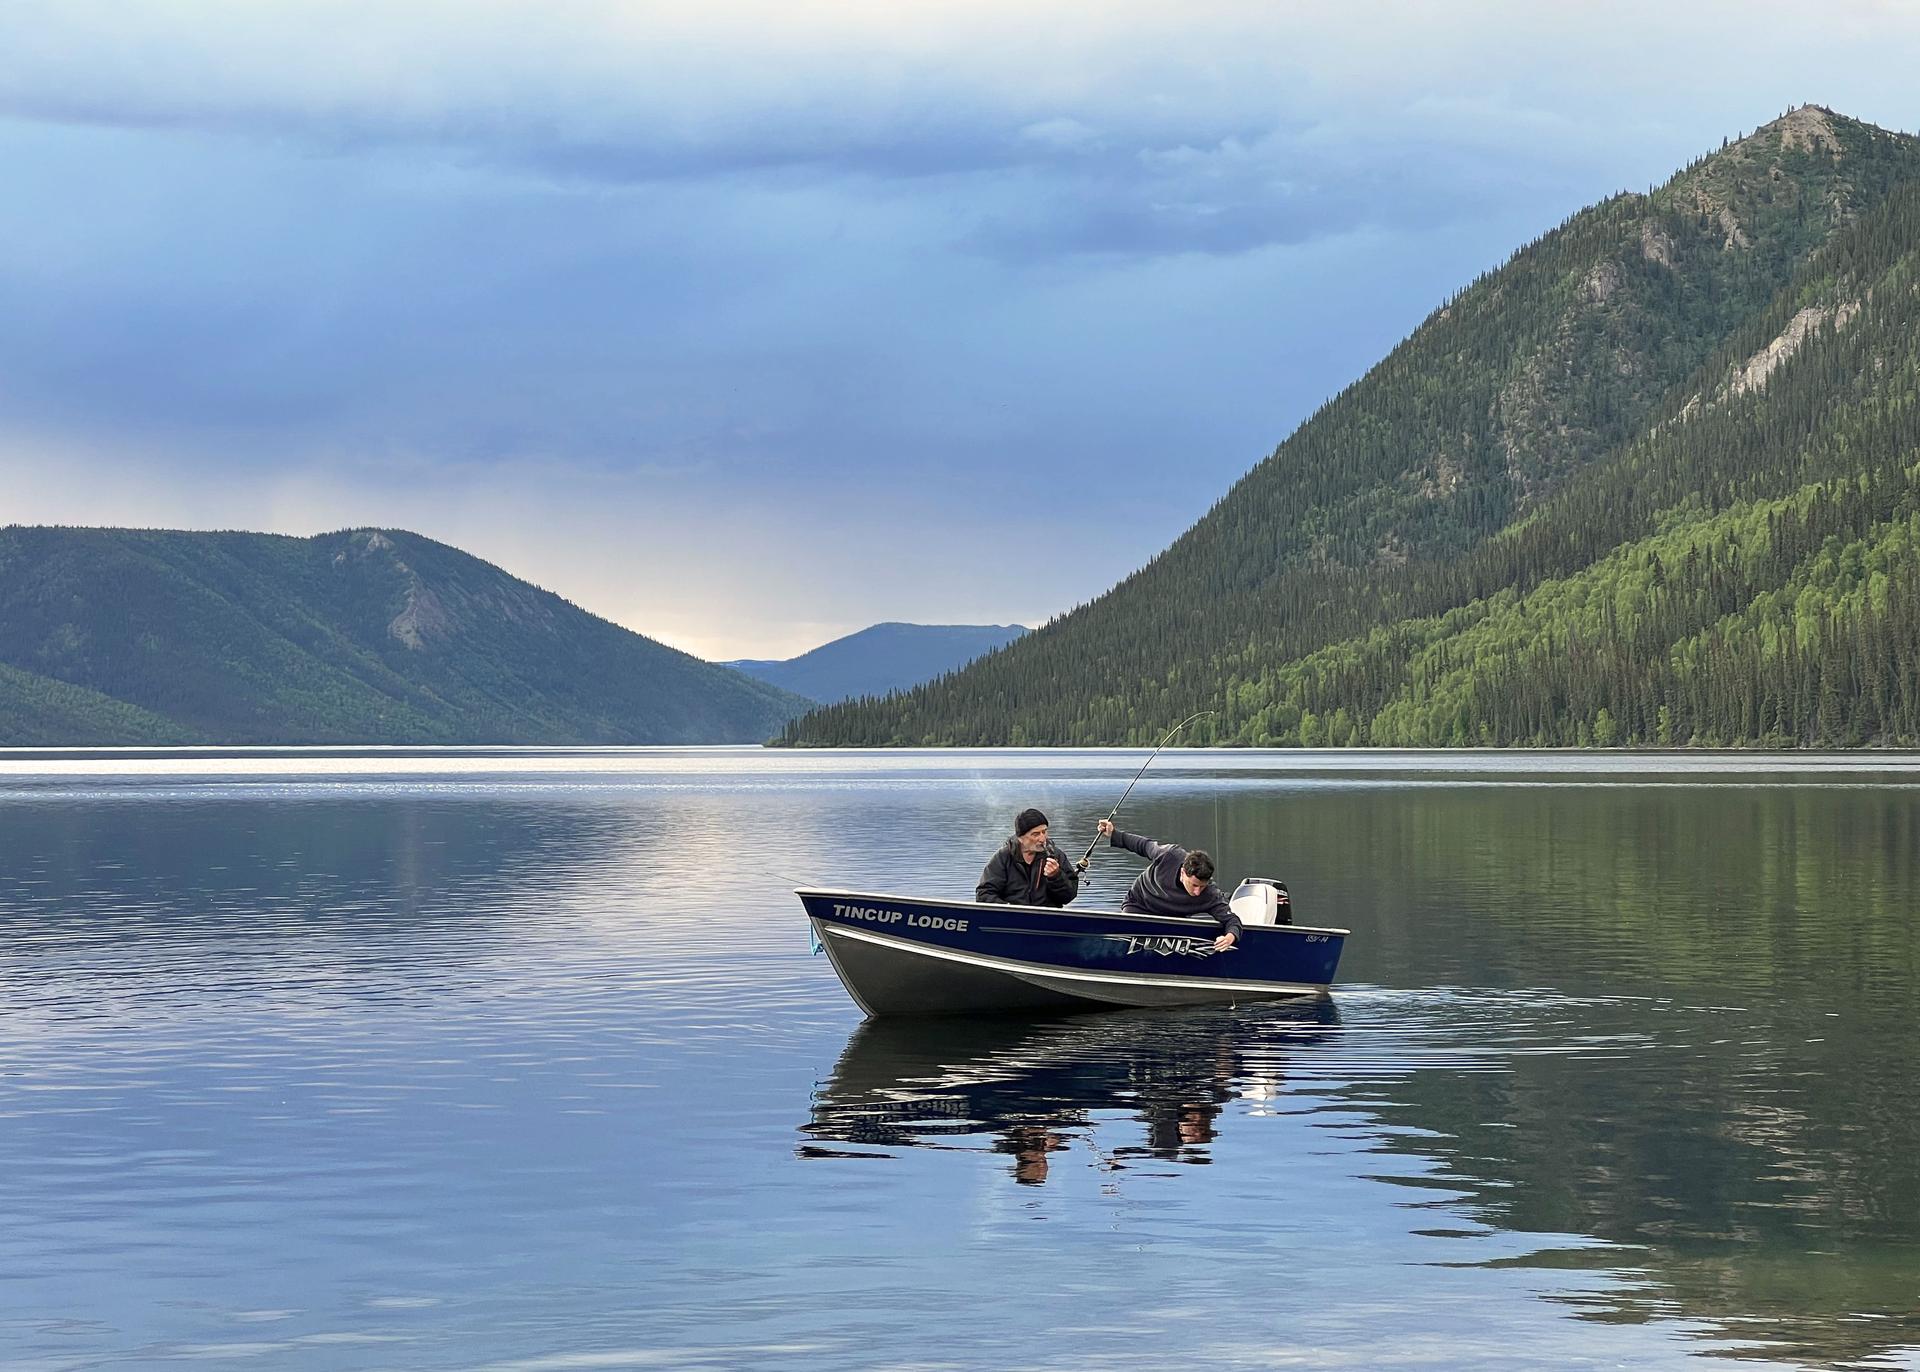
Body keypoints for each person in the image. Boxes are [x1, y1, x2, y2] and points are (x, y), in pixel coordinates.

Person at [1095, 818, 1240, 950]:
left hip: (1172, 918)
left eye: (1202, 886)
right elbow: (1143, 846)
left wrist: (1229, 937)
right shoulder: (1169, 855)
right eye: (1194, 885)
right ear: (1183, 872)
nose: (1197, 892)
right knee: (1129, 936)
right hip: (1140, 904)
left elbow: (1232, 920)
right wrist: (1114, 833)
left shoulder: (1209, 894)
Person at [976, 808, 1080, 907]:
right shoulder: (1003, 857)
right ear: (1020, 837)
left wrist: (1056, 876)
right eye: (1035, 834)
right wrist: (1008, 909)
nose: (1042, 839)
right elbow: (984, 894)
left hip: (1046, 918)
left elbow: (1068, 897)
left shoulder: (1056, 856)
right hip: (1011, 918)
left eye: (1044, 832)